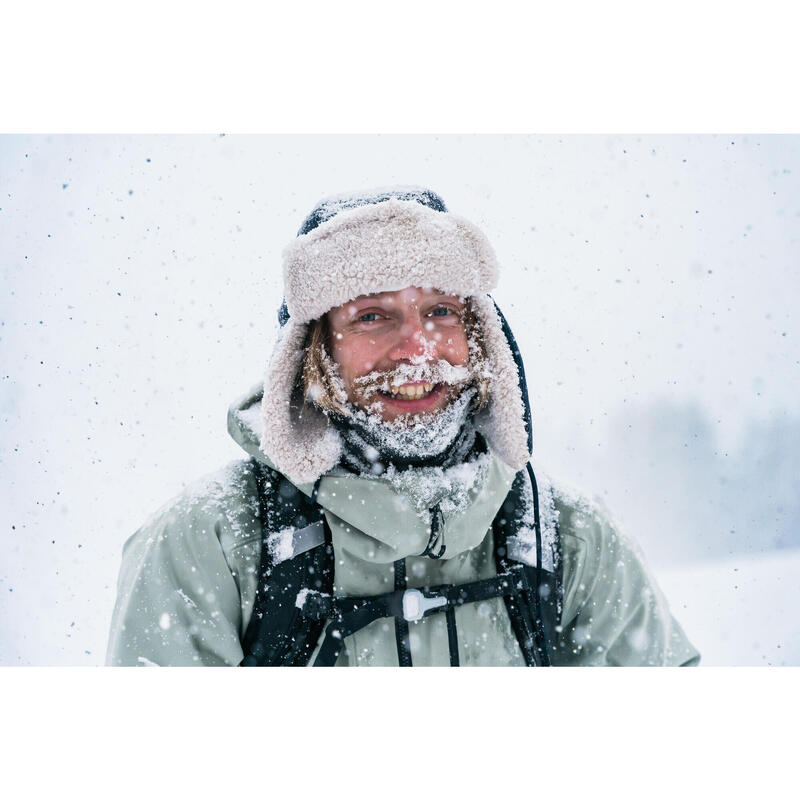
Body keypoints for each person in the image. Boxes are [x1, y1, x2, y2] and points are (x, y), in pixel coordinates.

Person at [106, 187, 700, 667]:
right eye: (371, 316)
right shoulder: (215, 540)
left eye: (441, 311)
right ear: (311, 353)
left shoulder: (564, 537)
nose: (418, 348)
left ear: (481, 335)